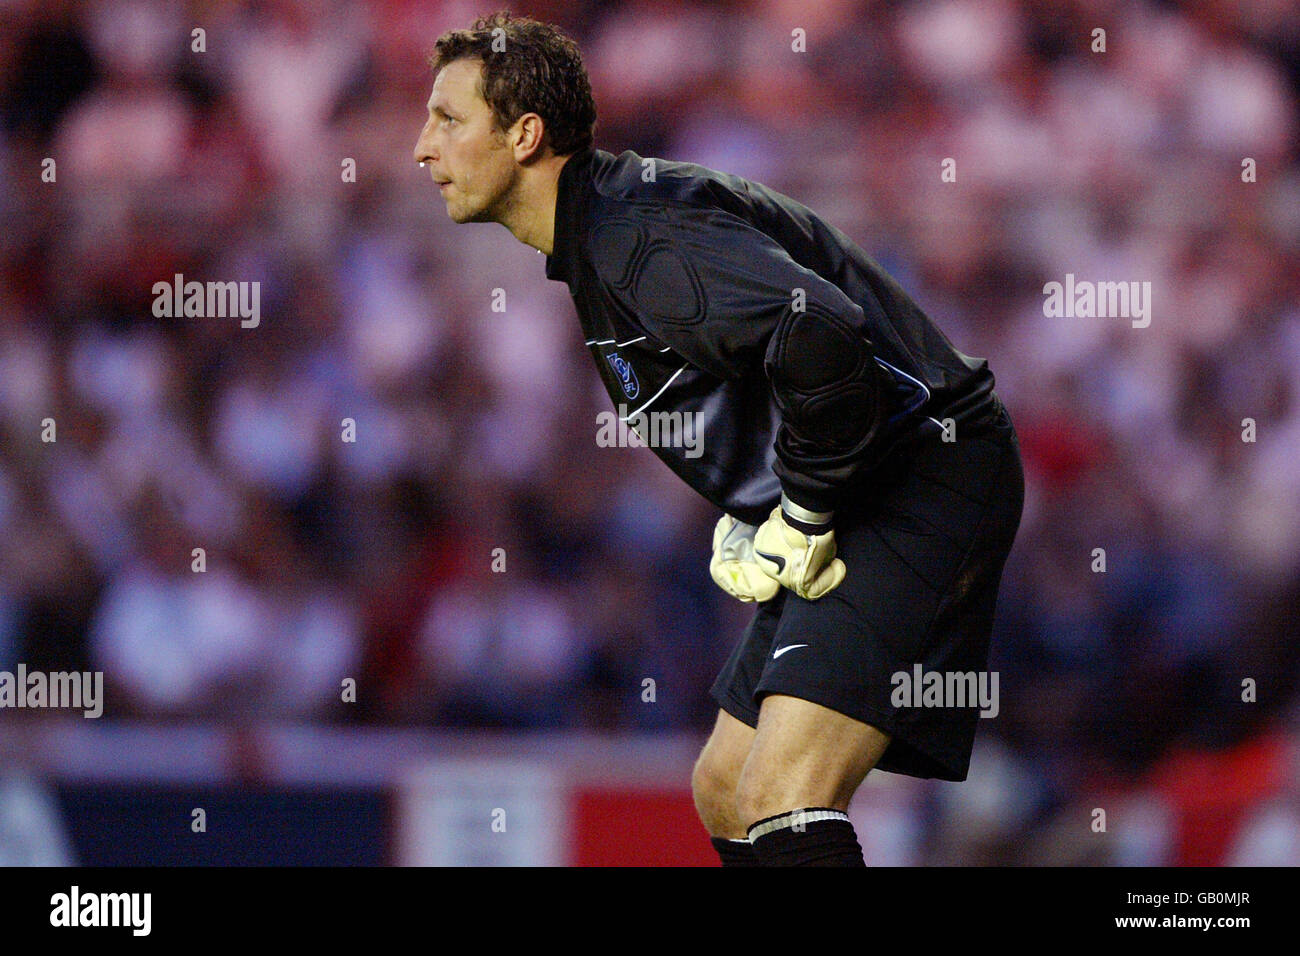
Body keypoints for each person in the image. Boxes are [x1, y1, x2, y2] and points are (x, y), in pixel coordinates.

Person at [414, 10, 1025, 866]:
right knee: (729, 790)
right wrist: (768, 498)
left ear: (523, 135)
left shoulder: (636, 235)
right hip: (870, 475)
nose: (422, 147)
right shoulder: (604, 233)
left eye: (447, 119)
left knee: (786, 793)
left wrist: (804, 507)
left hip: (919, 469)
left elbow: (817, 331)